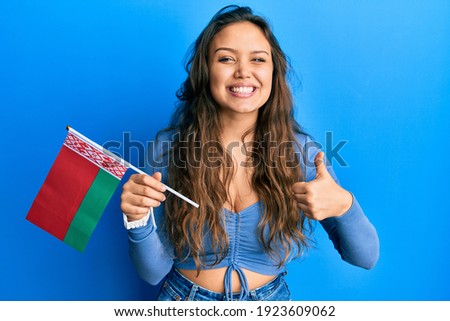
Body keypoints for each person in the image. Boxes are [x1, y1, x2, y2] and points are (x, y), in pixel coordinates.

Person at [120, 5, 379, 301]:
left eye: (257, 59)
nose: (243, 71)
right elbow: (152, 272)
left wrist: (344, 206)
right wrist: (137, 220)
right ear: (206, 71)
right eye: (226, 58)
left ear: (273, 72)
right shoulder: (168, 148)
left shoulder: (303, 154)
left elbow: (365, 257)